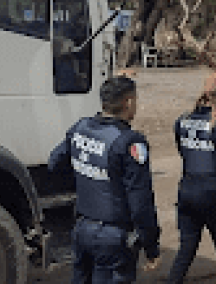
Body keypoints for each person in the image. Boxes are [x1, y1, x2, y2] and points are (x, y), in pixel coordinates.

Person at [48, 75, 161, 282]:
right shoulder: (129, 141)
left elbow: (54, 163)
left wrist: (87, 178)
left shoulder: (80, 128)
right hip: (112, 237)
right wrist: (151, 247)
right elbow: (141, 202)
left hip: (82, 229)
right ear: (128, 102)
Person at [166, 73, 216, 284]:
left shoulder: (182, 120)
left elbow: (183, 152)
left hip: (187, 192)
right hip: (213, 196)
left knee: (185, 252)